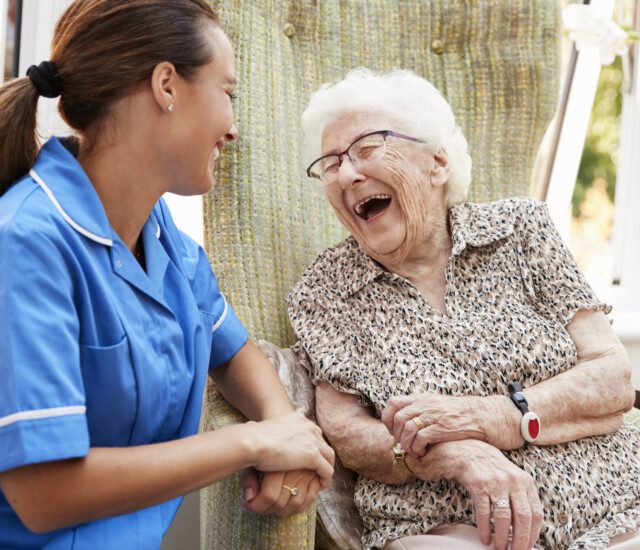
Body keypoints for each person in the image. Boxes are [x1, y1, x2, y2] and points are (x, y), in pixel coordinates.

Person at [0, 1, 335, 548]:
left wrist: (286, 427)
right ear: (166, 86)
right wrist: (253, 443)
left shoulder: (157, 233)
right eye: (228, 93)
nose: (233, 128)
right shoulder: (26, 242)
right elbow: (43, 494)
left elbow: (232, 348)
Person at [287, 68, 639, 550]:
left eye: (368, 148)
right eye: (331, 164)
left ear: (437, 163)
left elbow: (612, 377)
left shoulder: (520, 229)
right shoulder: (325, 290)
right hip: (452, 524)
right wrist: (459, 455)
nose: (347, 173)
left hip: (618, 500)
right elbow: (349, 435)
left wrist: (491, 418)